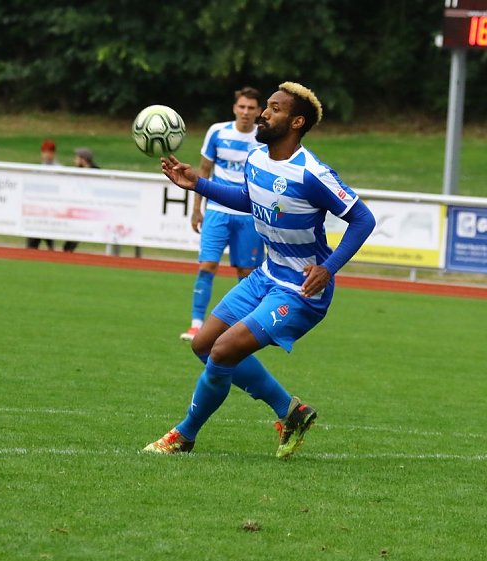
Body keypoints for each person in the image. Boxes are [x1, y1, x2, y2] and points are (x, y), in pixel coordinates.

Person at [144, 82, 376, 458]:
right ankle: (292, 412)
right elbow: (248, 199)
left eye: (274, 108)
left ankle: (183, 436)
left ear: (296, 121)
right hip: (266, 276)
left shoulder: (312, 173)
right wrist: (197, 184)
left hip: (300, 291)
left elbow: (363, 219)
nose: (264, 114)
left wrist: (329, 268)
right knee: (204, 345)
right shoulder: (256, 158)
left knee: (222, 352)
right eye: (266, 106)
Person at [180, 87, 267, 342]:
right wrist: (197, 209)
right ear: (234, 108)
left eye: (251, 108)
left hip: (249, 215)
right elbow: (203, 172)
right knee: (207, 266)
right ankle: (196, 323)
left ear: (259, 111)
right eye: (242, 107)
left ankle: (240, 327)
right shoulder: (217, 131)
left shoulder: (263, 138)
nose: (246, 112)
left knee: (246, 274)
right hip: (217, 211)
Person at [26, 139, 60, 250]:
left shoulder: (59, 169)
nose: (46, 154)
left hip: (51, 211)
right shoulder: (37, 169)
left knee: (51, 244)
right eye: (44, 152)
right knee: (31, 244)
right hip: (37, 212)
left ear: (53, 153)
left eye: (49, 152)